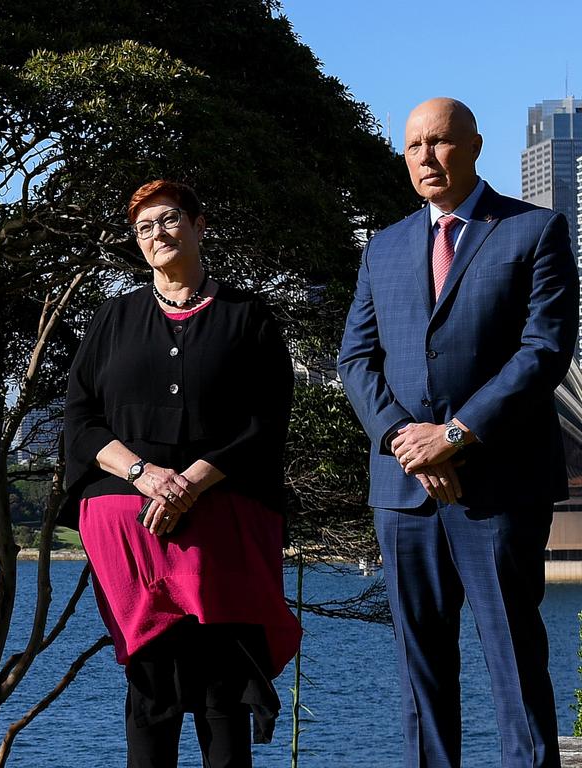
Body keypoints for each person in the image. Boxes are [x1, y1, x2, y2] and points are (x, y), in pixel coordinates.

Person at [339, 98, 578, 768]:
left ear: (473, 146)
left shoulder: (535, 231)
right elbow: (355, 359)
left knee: (515, 666)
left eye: (440, 143)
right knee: (421, 674)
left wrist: (456, 435)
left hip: (499, 486)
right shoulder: (383, 247)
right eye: (414, 146)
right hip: (402, 490)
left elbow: (543, 352)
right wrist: (403, 441)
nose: (426, 157)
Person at [63, 180, 301, 768]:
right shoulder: (113, 319)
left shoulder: (249, 317)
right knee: (151, 693)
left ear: (198, 225)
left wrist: (190, 482)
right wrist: (143, 474)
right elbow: (81, 418)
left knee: (223, 690)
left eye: (168, 220)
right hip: (133, 537)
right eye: (144, 228)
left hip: (222, 531)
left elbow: (265, 420)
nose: (157, 235)